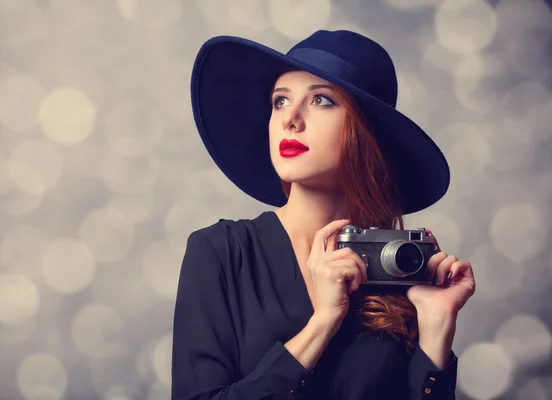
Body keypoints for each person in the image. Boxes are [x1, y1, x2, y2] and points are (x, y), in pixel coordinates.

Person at [171, 30, 476, 400]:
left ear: (367, 132)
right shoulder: (220, 251)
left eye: (321, 100)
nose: (291, 120)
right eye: (280, 101)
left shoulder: (400, 271)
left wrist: (436, 328)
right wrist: (322, 324)